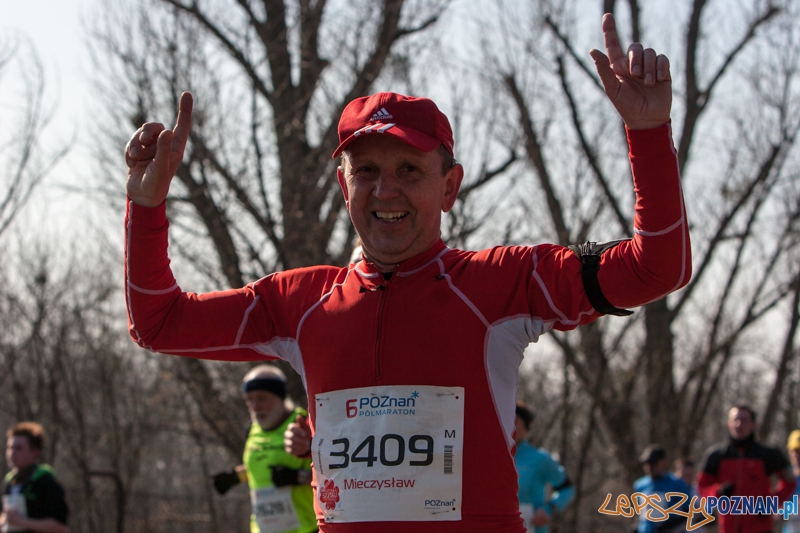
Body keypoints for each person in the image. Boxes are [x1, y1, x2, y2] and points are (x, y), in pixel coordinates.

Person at [122, 13, 690, 532]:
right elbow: (159, 322)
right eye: (366, 170)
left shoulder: (499, 285)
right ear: (344, 187)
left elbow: (656, 268)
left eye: (409, 169)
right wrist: (146, 208)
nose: (385, 189)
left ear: (449, 187)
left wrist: (648, 132)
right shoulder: (300, 302)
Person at [211, 365, 316, 533]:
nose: (255, 405)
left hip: (306, 528)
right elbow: (264, 465)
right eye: (249, 399)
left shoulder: (303, 425)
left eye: (261, 398)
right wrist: (235, 477)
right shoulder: (251, 430)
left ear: (280, 397)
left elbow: (333, 473)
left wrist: (298, 477)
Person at [698, 406, 797, 533]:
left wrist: (770, 504)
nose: (739, 424)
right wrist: (718, 492)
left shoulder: (768, 454)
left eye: (744, 420)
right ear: (729, 423)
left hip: (760, 527)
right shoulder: (716, 456)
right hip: (729, 527)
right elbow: (702, 487)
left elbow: (790, 482)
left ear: (753, 424)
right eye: (735, 420)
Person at [513, 402, 573, 533]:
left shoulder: (540, 459)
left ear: (527, 427)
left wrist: (549, 508)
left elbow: (567, 488)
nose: (510, 426)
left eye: (515, 421)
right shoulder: (491, 458)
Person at [0, 422, 68, 533]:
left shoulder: (46, 482)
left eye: (19, 448)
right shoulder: (9, 483)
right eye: (10, 448)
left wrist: (21, 522)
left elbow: (60, 527)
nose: (12, 453)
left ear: (34, 452)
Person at [633, 445, 691, 533]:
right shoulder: (639, 485)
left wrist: (671, 524)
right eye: (647, 464)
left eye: (654, 463)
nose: (650, 467)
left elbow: (689, 511)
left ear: (664, 462)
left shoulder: (677, 484)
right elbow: (640, 513)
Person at [783, 430, 800, 533]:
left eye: (798, 450)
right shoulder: (786, 476)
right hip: (790, 529)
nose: (796, 454)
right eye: (793, 450)